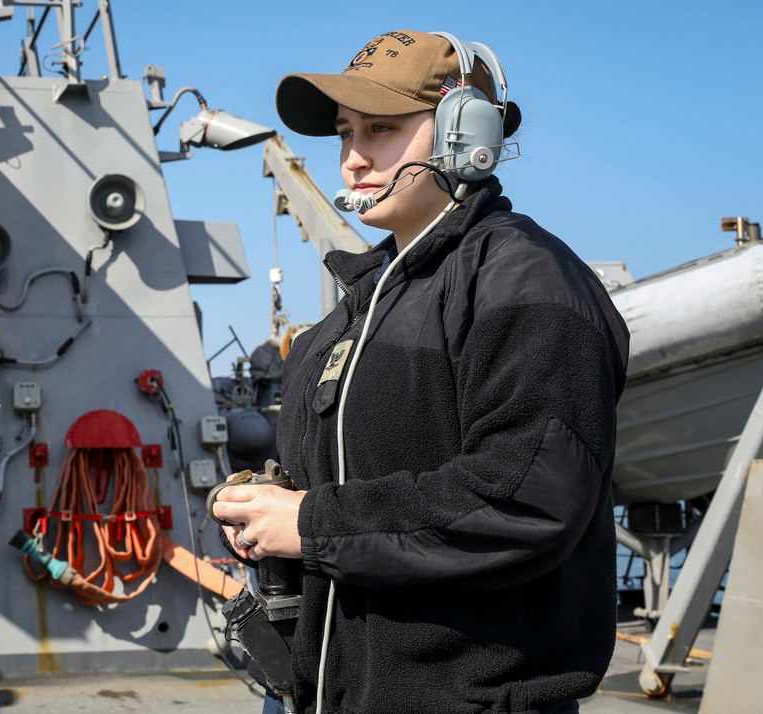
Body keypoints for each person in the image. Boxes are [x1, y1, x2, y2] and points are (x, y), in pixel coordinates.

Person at [212, 29, 629, 714]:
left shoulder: (526, 282)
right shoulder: (353, 312)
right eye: (344, 133)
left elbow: (525, 498)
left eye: (379, 128)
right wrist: (268, 506)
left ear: (467, 131)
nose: (350, 158)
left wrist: (313, 523)